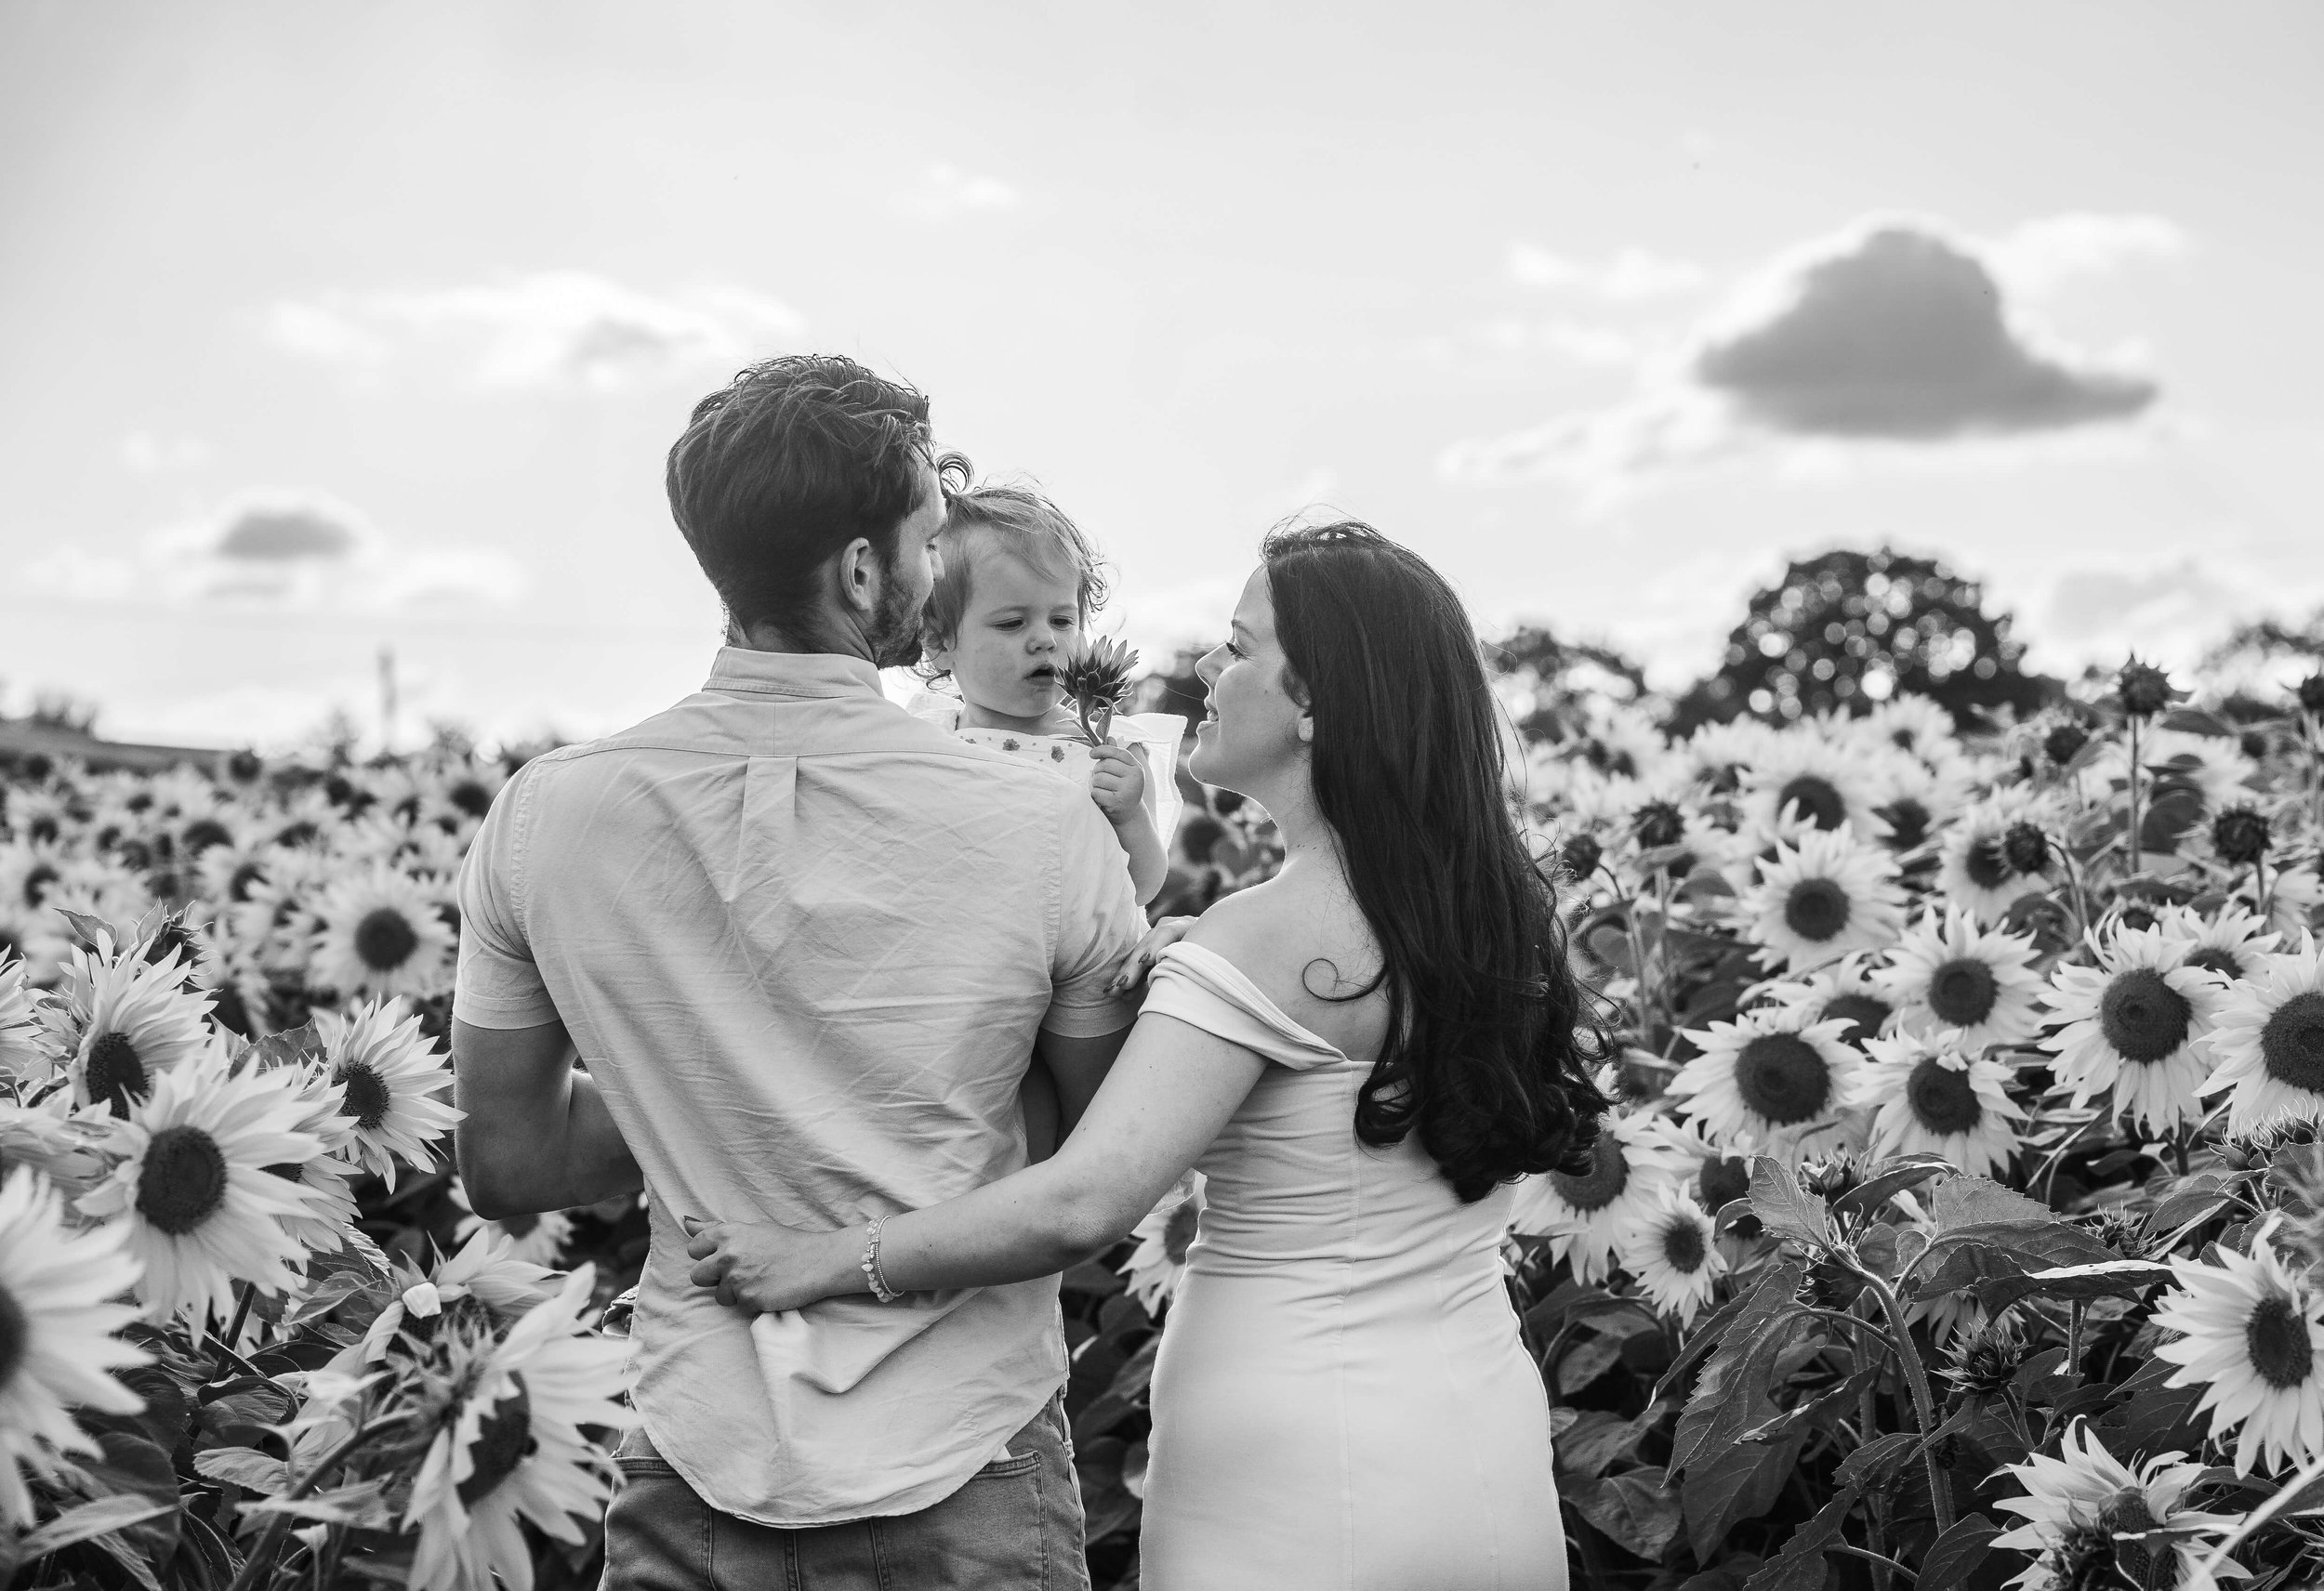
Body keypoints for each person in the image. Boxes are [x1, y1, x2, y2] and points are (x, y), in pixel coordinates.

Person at [688, 520, 1613, 1591]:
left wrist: (829, 1255)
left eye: (1238, 644)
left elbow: (1085, 1201)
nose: (1209, 671)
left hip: (1303, 1483)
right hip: (1478, 1446)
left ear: (1313, 702)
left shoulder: (1266, 936)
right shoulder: (1471, 918)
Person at [450, 354, 1147, 1591]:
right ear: (864, 571)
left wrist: (712, 1087)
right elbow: (1101, 1160)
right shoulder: (1045, 832)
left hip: (695, 1455)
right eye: (929, 540)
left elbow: (509, 1166)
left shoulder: (547, 817)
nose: (935, 573)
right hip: (965, 1457)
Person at [906, 474, 1182, 906]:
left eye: (1062, 620)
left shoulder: (1112, 751)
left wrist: (1130, 816)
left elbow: (1141, 889)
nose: (1045, 640)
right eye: (1012, 623)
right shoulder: (927, 738)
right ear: (940, 643)